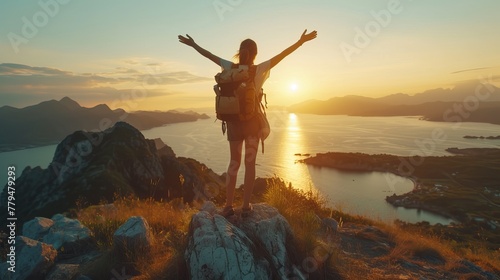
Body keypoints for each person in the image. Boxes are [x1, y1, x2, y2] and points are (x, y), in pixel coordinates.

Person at [178, 29, 317, 217]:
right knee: (249, 165)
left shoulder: (230, 68)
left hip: (233, 123)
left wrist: (193, 45)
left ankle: (228, 206)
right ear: (255, 54)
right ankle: (245, 206)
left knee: (233, 164)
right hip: (252, 123)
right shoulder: (258, 69)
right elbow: (282, 55)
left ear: (239, 51)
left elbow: (209, 56)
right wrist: (300, 41)